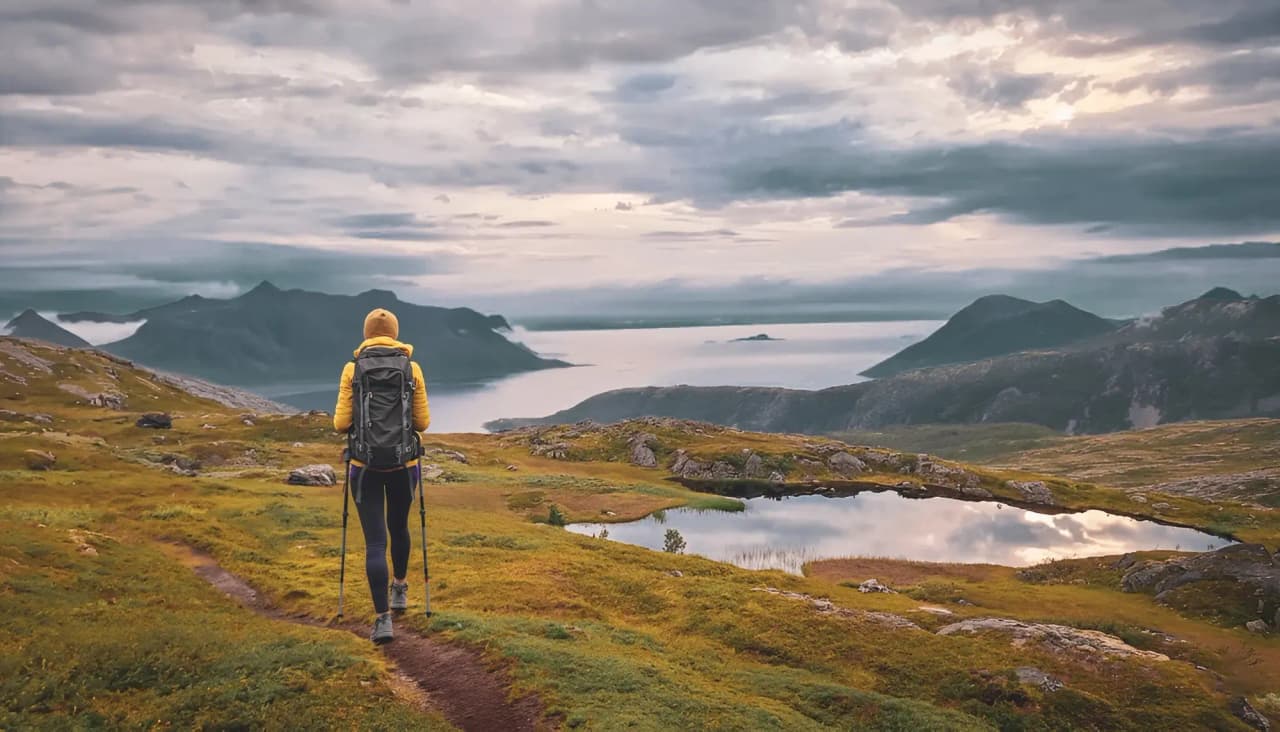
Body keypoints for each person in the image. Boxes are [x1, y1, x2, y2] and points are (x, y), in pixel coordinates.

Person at [333, 308, 430, 644]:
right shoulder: (411, 368)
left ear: (366, 334)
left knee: (375, 543)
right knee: (399, 526)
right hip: (404, 466)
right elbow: (422, 423)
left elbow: (341, 424)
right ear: (394, 333)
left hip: (365, 466)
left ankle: (382, 620)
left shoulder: (352, 369)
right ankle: (400, 588)